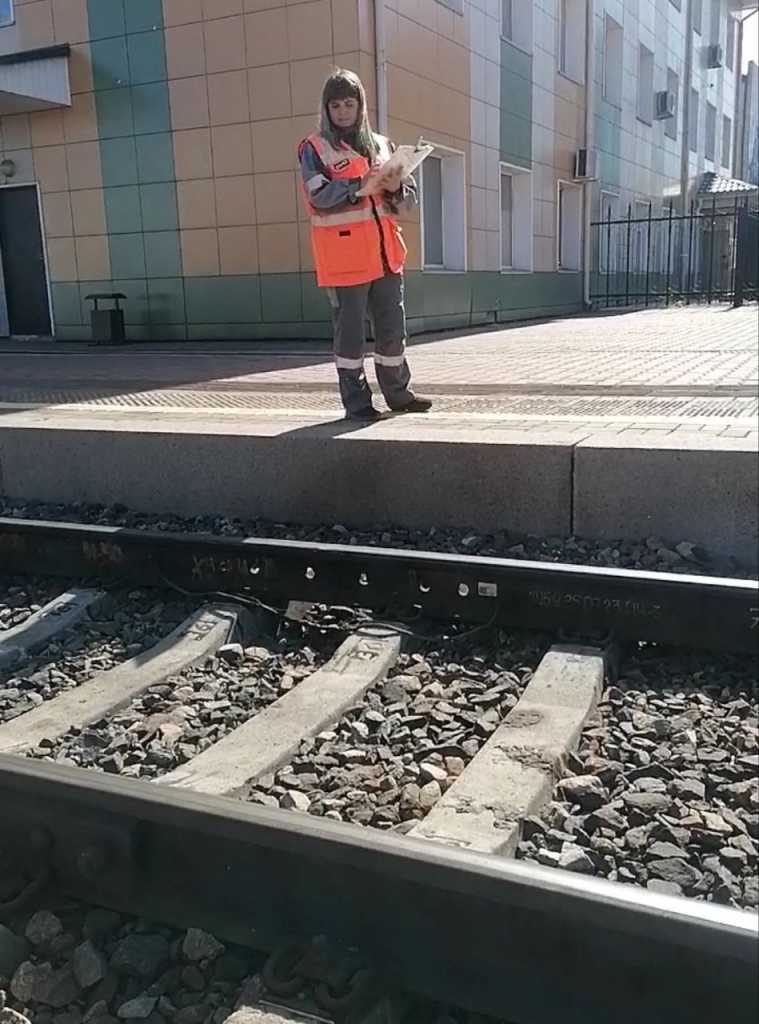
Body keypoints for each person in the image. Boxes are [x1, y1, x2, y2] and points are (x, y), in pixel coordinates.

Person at [298, 69, 432, 421]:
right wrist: (359, 185)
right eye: (336, 104)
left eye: (349, 103)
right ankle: (357, 403)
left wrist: (396, 187)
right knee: (351, 338)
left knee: (392, 332)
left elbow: (408, 202)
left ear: (361, 106)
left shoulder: (383, 145)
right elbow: (318, 196)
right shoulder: (314, 147)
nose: (343, 111)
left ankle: (399, 395)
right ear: (326, 109)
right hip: (345, 260)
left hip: (387, 256)